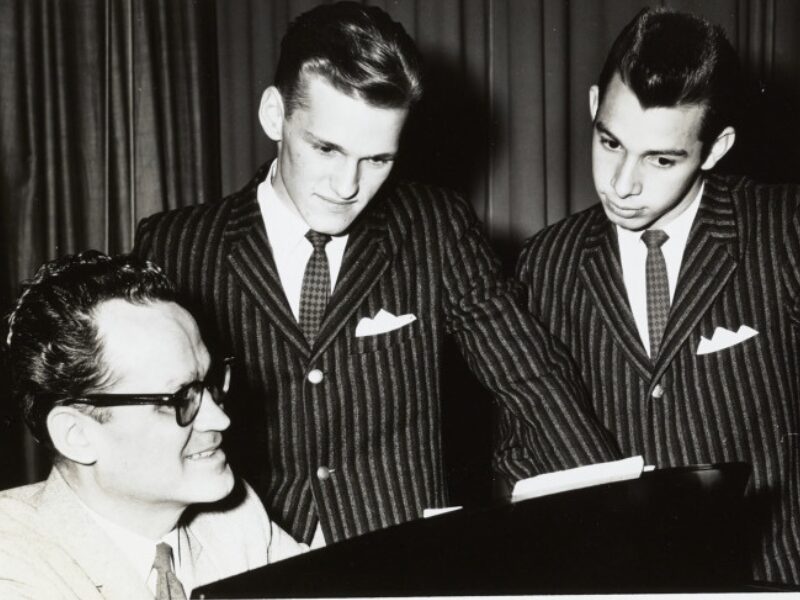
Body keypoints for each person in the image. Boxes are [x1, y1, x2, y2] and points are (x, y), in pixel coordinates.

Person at [133, 1, 619, 547]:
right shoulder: (176, 245)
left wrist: (622, 517)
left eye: (378, 160)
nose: (347, 186)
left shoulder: (434, 227)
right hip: (239, 553)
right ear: (275, 115)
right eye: (325, 148)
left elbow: (531, 379)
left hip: (397, 556)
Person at [515, 8, 800, 584]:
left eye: (661, 160)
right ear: (594, 104)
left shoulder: (783, 231)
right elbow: (520, 449)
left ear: (716, 148)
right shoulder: (544, 262)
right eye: (610, 142)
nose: (622, 184)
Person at [0, 251, 305, 600]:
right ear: (78, 435)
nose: (220, 418)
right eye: (178, 399)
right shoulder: (11, 567)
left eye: (210, 382)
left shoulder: (236, 517)